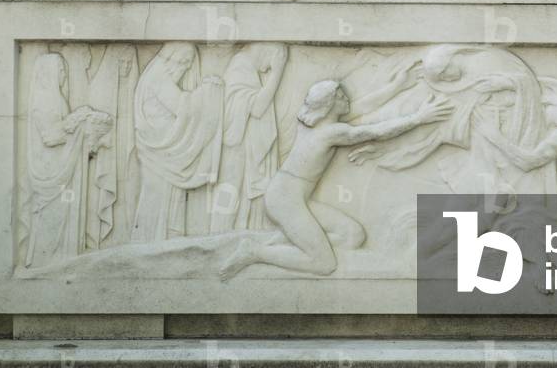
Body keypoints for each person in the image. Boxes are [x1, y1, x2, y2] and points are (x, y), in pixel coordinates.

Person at [219, 80, 453, 279]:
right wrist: (418, 118)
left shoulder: (312, 122)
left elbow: (366, 106)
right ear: (331, 104)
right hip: (285, 199)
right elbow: (375, 132)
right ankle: (254, 252)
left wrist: (397, 85)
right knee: (323, 263)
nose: (347, 99)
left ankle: (294, 240)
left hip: (293, 195)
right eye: (342, 96)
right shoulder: (331, 132)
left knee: (353, 235)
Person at [24, 53, 112, 267]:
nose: (64, 75)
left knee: (64, 215)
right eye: (60, 71)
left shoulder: (56, 98)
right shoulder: (43, 100)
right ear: (48, 74)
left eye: (64, 70)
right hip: (51, 173)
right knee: (53, 219)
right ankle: (46, 262)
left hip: (62, 168)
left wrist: (80, 122)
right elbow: (51, 137)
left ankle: (61, 260)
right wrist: (78, 122)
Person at [131, 43, 224, 242]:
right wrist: (208, 92)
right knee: (157, 200)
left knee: (167, 200)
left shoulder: (155, 74)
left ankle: (162, 242)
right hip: (160, 152)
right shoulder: (157, 76)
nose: (185, 69)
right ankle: (150, 243)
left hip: (163, 151)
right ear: (173, 58)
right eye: (183, 63)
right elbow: (183, 107)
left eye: (188, 64)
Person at [210, 43, 288, 233]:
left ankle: (228, 240)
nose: (268, 68)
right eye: (274, 61)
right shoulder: (241, 65)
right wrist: (277, 72)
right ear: (269, 51)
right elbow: (258, 107)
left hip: (242, 147)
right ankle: (217, 242)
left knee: (239, 200)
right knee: (230, 197)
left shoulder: (246, 67)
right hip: (235, 146)